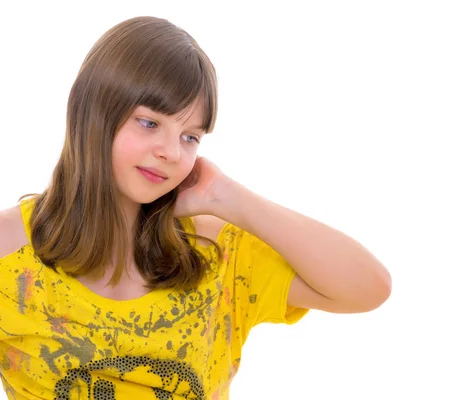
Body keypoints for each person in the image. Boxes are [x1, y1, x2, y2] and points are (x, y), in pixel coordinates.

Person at [0, 16, 392, 399]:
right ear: (92, 114)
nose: (171, 153)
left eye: (190, 137)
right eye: (149, 123)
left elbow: (368, 288)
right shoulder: (10, 252)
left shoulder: (214, 251)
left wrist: (228, 197)